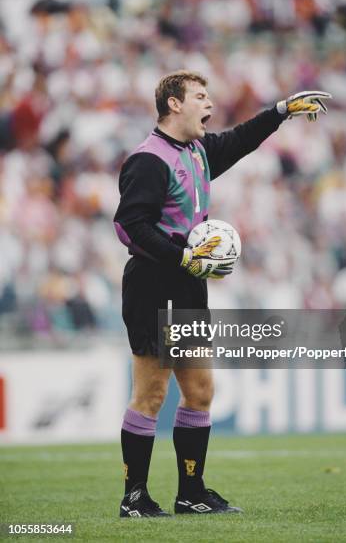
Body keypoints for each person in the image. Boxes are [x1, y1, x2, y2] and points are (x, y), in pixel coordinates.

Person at [114, 70, 330, 517]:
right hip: (155, 283)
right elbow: (129, 226)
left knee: (200, 390)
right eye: (200, 96)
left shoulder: (196, 150)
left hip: (187, 281)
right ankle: (134, 497)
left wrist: (281, 112)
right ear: (174, 104)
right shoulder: (149, 159)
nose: (209, 103)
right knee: (152, 393)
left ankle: (191, 493)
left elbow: (239, 140)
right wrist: (183, 258)